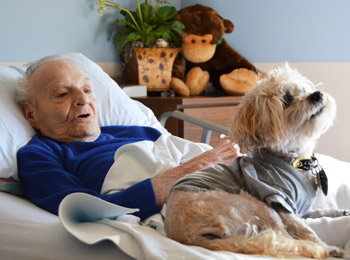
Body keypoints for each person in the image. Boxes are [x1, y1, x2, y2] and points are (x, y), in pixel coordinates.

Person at [15, 58, 240, 220]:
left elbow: (181, 151)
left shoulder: (137, 131)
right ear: (31, 114)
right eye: (62, 94)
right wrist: (182, 175)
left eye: (87, 89)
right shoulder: (39, 155)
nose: (83, 99)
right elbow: (85, 210)